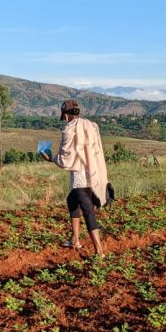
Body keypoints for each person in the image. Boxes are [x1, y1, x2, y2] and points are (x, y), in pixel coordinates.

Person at [41, 99, 108, 256]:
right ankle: (75, 239)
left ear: (65, 115)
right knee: (71, 200)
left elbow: (65, 159)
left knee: (88, 212)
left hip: (80, 178)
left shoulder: (70, 129)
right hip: (93, 173)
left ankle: (99, 251)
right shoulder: (91, 126)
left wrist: (50, 158)